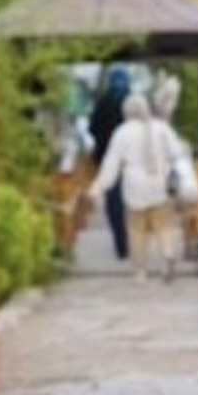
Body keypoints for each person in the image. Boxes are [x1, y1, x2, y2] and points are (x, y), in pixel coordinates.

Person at [88, 94, 188, 283]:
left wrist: (98, 186)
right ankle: (168, 254)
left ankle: (141, 272)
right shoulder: (162, 128)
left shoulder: (122, 132)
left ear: (126, 112)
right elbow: (177, 153)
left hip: (135, 191)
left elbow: (111, 165)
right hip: (160, 187)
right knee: (164, 227)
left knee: (137, 232)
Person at [87, 66, 133, 262]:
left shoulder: (103, 102)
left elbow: (91, 128)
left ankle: (121, 245)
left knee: (114, 202)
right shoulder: (133, 102)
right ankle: (136, 239)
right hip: (131, 161)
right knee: (135, 200)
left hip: (107, 159)